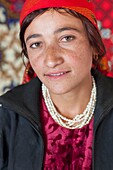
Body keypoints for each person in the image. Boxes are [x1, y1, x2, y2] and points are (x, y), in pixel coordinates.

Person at [0, 0, 113, 169]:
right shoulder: (6, 116)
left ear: (94, 45)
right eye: (36, 44)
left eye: (66, 38)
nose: (51, 60)